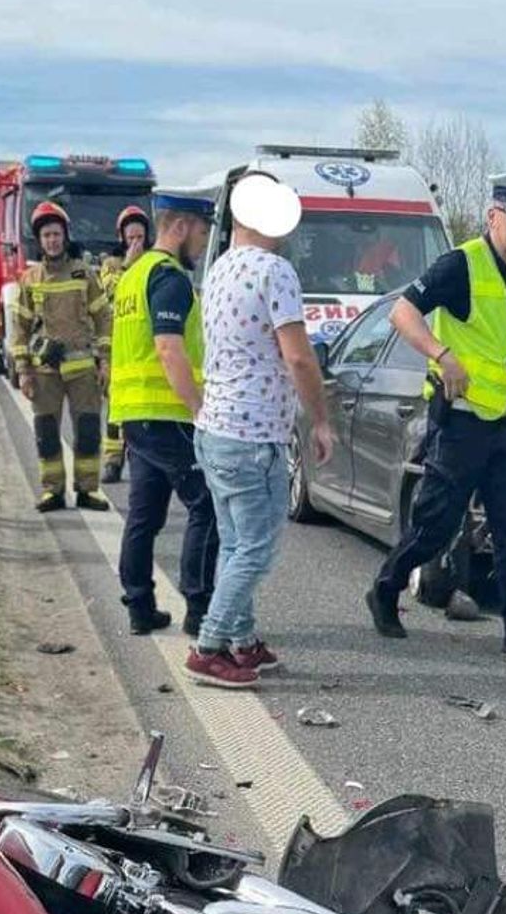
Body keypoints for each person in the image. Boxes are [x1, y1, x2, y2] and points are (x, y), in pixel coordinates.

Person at [365, 173, 506, 662]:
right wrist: (442, 354)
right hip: (461, 422)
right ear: (492, 215)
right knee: (435, 527)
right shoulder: (461, 264)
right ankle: (386, 589)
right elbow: (402, 313)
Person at [186, 172, 335, 688]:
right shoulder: (276, 272)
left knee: (234, 542)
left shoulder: (220, 270)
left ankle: (242, 641)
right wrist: (320, 419)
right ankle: (209, 647)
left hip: (216, 428)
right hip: (253, 435)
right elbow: (298, 356)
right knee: (255, 548)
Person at [110, 189, 220, 636]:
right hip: (168, 412)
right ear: (182, 226)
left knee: (145, 515)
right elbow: (167, 346)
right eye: (203, 230)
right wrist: (198, 407)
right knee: (206, 503)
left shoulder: (133, 276)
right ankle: (199, 609)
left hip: (135, 414)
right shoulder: (169, 277)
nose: (205, 240)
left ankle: (140, 607)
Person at [9, 201, 112, 512]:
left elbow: (103, 318)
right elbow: (20, 329)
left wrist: (105, 358)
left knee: (89, 432)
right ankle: (52, 492)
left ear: (65, 236)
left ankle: (87, 490)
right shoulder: (30, 279)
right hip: (44, 373)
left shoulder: (85, 274)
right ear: (39, 241)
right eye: (46, 235)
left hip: (83, 372)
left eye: (56, 234)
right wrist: (23, 370)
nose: (52, 240)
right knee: (47, 433)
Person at [97, 205, 151, 485]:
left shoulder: (154, 262)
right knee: (116, 409)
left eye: (140, 238)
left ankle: (142, 461)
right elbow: (114, 294)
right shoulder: (111, 265)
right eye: (130, 238)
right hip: (119, 348)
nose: (135, 243)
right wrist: (130, 264)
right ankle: (112, 462)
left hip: (146, 347)